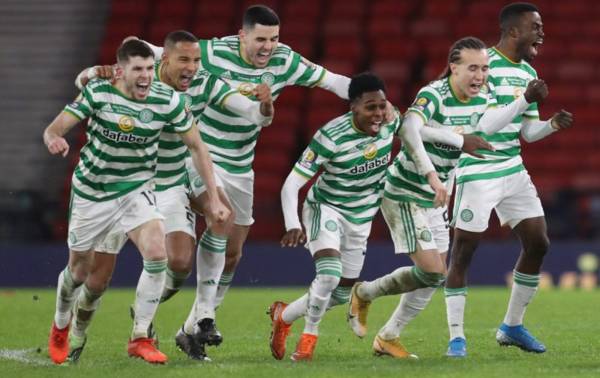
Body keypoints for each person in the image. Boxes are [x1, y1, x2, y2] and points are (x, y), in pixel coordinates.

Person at [142, 6, 353, 326]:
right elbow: (159, 52)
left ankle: (189, 328)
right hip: (203, 156)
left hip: (242, 165)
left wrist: (371, 94)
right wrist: (117, 63)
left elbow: (334, 82)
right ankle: (204, 317)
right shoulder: (212, 52)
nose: (268, 46)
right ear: (242, 36)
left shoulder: (286, 60)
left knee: (233, 254)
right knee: (219, 218)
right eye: (261, 39)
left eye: (274, 38)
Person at [74, 30, 274, 361]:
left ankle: (153, 324)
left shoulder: (206, 84)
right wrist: (95, 72)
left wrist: (264, 106)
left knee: (179, 261)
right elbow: (84, 85)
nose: (193, 67)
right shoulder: (140, 80)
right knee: (95, 279)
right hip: (117, 183)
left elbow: (255, 116)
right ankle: (76, 330)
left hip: (165, 184)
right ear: (164, 59)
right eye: (184, 59)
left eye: (197, 60)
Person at [346, 36, 550, 359]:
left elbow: (486, 127)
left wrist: (526, 104)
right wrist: (446, 154)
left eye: (484, 69)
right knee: (432, 271)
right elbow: (408, 129)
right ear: (453, 67)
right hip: (406, 192)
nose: (480, 76)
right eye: (472, 68)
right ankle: (365, 291)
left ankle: (388, 336)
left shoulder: (482, 98)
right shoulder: (434, 95)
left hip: (437, 195)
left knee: (434, 278)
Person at [45, 39, 229, 365]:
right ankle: (61, 323)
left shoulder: (167, 100)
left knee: (158, 254)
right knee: (80, 272)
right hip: (94, 193)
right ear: (121, 71)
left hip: (137, 189)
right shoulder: (99, 93)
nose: (145, 76)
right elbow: (54, 128)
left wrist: (213, 198)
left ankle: (140, 336)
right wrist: (55, 138)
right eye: (138, 70)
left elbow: (198, 147)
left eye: (148, 68)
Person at [269, 72, 448, 361]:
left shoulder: (391, 120)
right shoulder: (330, 136)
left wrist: (439, 168)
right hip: (325, 209)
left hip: (361, 217)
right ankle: (308, 339)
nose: (378, 113)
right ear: (353, 107)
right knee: (328, 276)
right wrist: (292, 223)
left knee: (340, 295)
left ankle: (284, 316)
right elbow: (291, 184)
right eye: (370, 107)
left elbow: (415, 140)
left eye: (382, 105)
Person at [444, 3, 573, 357]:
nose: (541, 33)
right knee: (463, 251)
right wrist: (525, 101)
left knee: (538, 242)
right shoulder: (483, 68)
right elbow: (481, 127)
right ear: (514, 30)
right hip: (479, 167)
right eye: (536, 27)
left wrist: (551, 125)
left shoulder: (527, 70)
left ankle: (512, 326)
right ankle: (457, 337)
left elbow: (527, 132)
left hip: (512, 168)